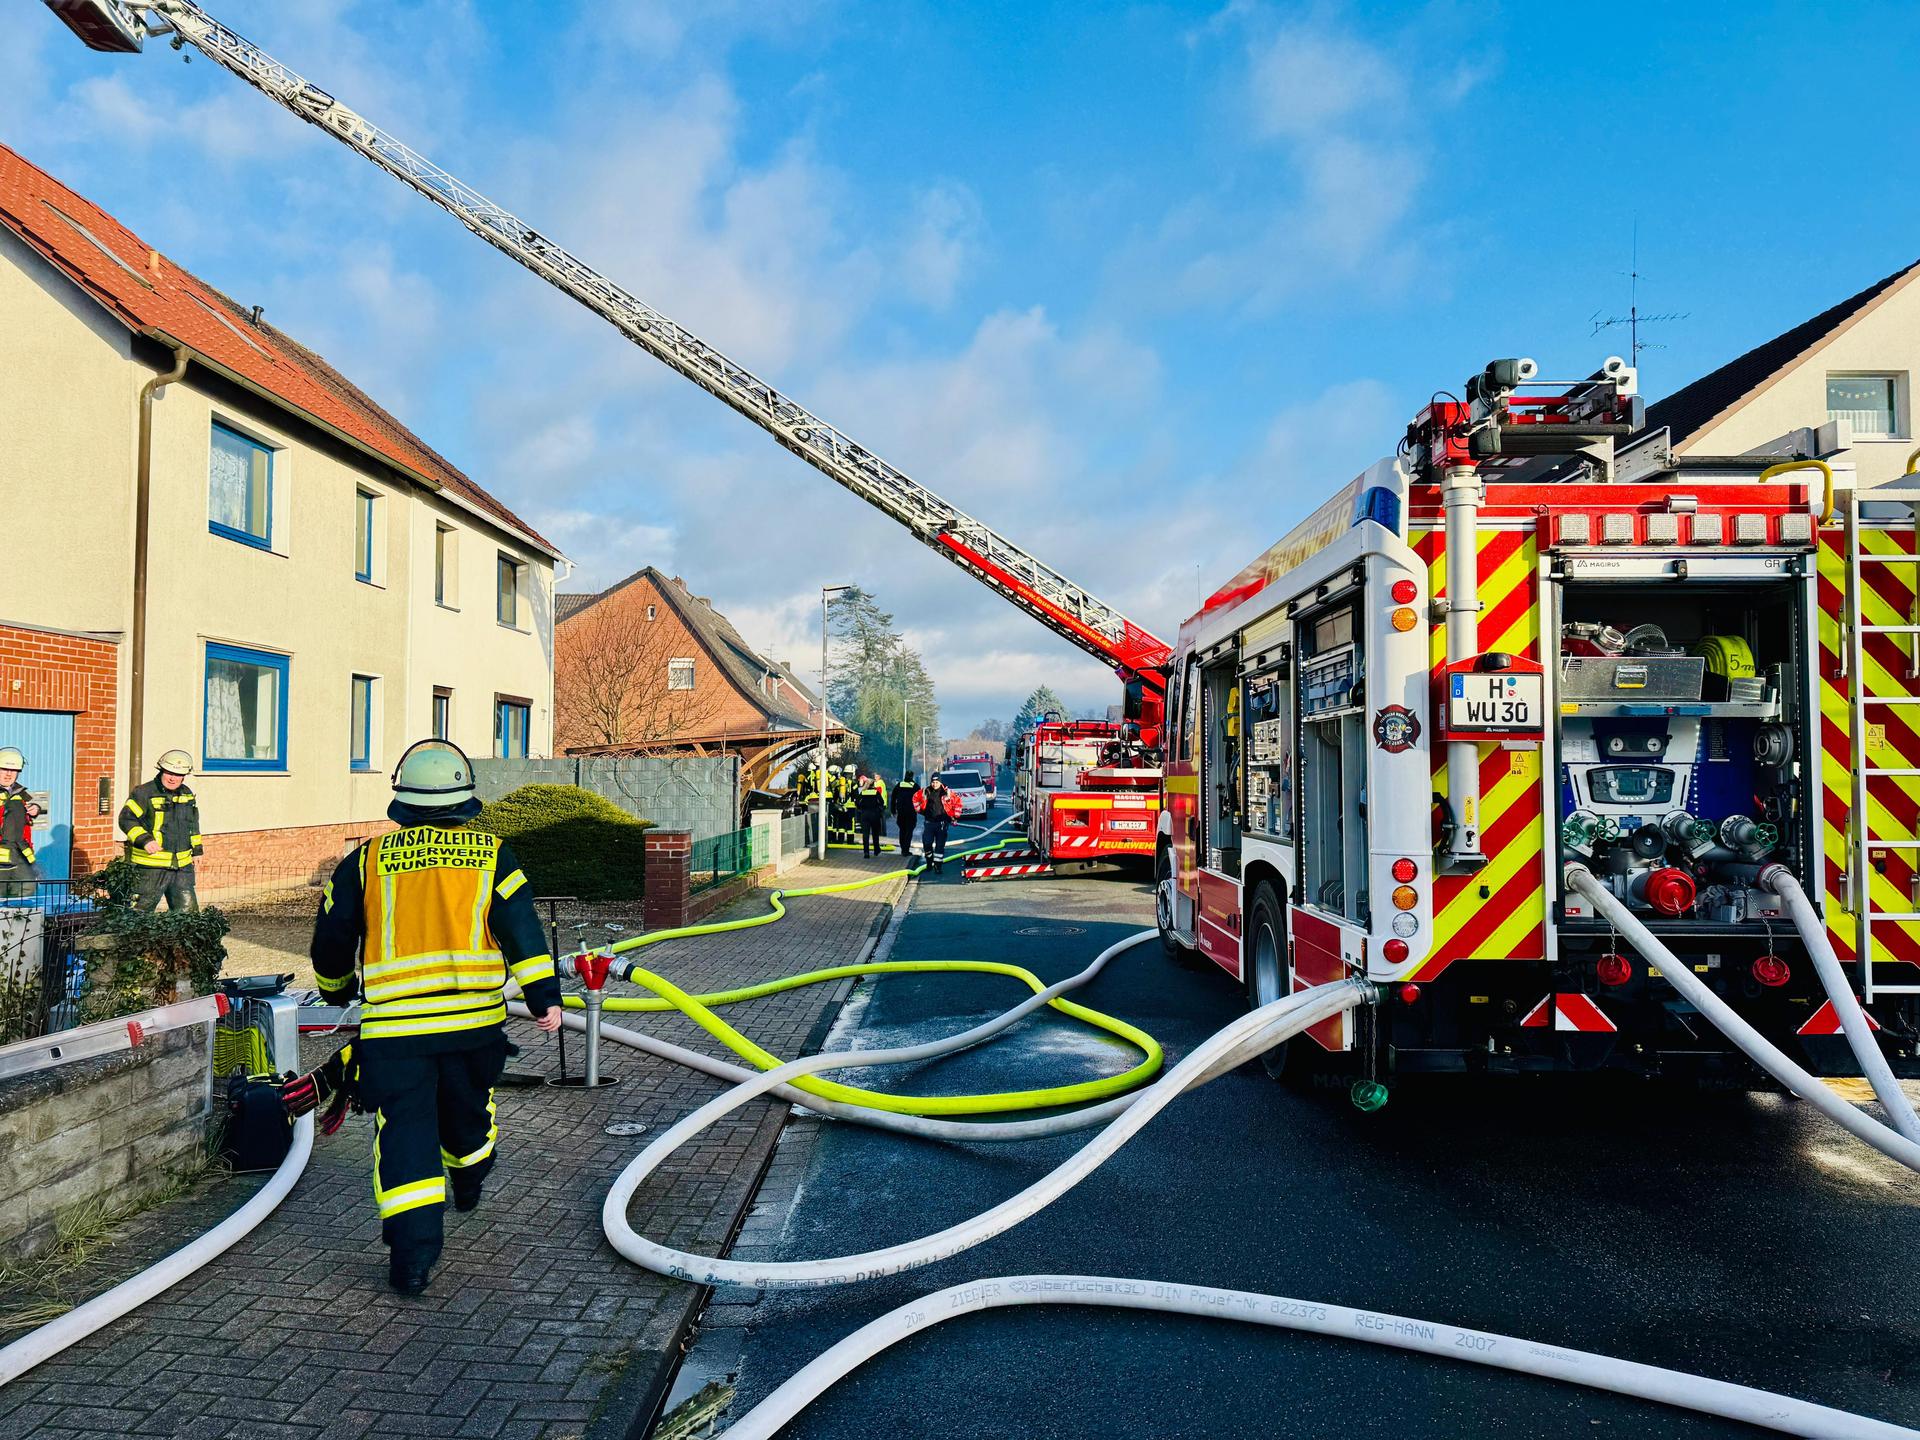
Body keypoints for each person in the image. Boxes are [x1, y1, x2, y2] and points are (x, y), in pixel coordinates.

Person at [309, 738, 564, 1295]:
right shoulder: (491, 854)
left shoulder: (367, 860)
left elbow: (332, 935)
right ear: (465, 799)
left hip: (395, 1035)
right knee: (467, 1117)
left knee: (405, 1135)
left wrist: (335, 990)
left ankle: (411, 1260)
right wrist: (544, 996)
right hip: (473, 1029)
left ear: (402, 801)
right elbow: (521, 928)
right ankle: (469, 1180)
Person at [117, 750, 202, 911]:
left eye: (178, 774)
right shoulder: (143, 793)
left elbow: (192, 824)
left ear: (184, 776)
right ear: (161, 771)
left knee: (188, 916)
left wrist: (197, 850)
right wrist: (144, 840)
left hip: (181, 868)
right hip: (150, 867)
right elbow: (127, 819)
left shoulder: (187, 794)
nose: (172, 778)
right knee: (138, 914)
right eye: (169, 773)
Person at [0, 747, 40, 898]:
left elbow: (29, 812)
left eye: (14, 770)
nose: (9, 774)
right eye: (4, 769)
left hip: (21, 854)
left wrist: (35, 809)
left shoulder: (20, 793)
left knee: (27, 890)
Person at [915, 773, 962, 872]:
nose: (935, 784)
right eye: (933, 782)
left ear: (940, 782)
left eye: (937, 782)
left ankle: (938, 866)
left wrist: (955, 816)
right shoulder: (925, 791)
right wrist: (920, 810)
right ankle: (929, 861)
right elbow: (915, 798)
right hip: (929, 823)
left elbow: (958, 802)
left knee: (939, 846)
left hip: (942, 823)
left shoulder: (947, 792)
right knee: (927, 844)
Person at [854, 771, 888, 858]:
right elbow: (882, 802)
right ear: (873, 785)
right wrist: (879, 809)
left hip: (865, 815)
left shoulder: (863, 792)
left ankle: (866, 852)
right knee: (875, 834)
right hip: (875, 815)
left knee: (865, 834)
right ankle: (876, 850)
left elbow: (857, 802)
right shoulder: (876, 793)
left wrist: (861, 808)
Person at [890, 771, 920, 858]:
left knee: (902, 830)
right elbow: (920, 799)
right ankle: (905, 850)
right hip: (911, 812)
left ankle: (903, 848)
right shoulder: (915, 786)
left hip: (901, 812)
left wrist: (893, 810)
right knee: (909, 831)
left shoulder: (899, 785)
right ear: (912, 777)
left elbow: (893, 798)